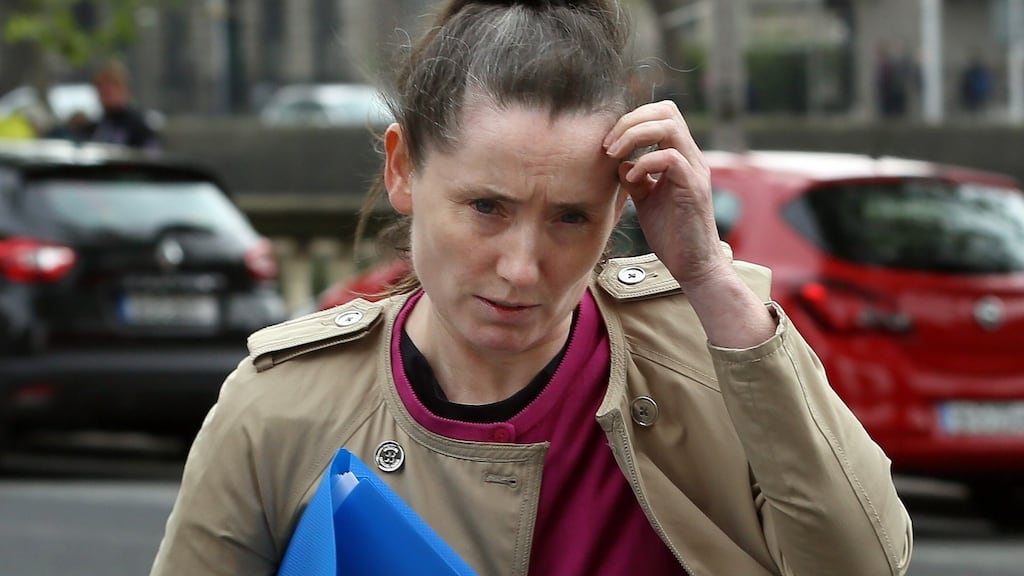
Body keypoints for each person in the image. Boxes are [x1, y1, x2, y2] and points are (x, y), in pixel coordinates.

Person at [151, 1, 913, 575]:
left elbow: (864, 563)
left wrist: (710, 277)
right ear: (403, 169)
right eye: (487, 208)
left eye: (571, 218)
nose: (523, 267)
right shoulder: (280, 407)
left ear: (621, 205)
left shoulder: (712, 361)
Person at [88, 58, 161, 151]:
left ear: (124, 89)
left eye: (109, 91)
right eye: (101, 91)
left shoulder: (139, 126)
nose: (104, 95)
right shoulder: (98, 125)